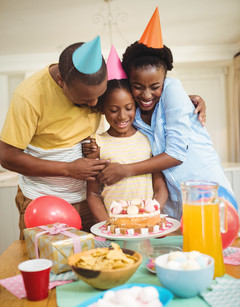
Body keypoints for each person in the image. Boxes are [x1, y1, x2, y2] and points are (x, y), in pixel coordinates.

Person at [94, 8, 237, 220]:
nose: (146, 94)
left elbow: (176, 154)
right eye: (137, 86)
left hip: (206, 190)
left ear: (164, 80)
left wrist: (125, 170)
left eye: (155, 86)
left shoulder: (173, 89)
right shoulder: (132, 110)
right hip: (175, 201)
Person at [0, 36, 110, 238]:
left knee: (96, 260)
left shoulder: (96, 89)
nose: (95, 104)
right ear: (61, 81)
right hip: (42, 200)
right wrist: (68, 169)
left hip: (89, 200)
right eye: (85, 100)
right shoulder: (29, 96)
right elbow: (6, 156)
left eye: (99, 95)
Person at [87, 45, 169, 222]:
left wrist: (151, 215)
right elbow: (93, 193)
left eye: (129, 108)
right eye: (114, 110)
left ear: (136, 105)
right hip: (115, 226)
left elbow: (160, 187)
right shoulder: (97, 143)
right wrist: (109, 225)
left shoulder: (148, 139)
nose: (122, 116)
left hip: (147, 223)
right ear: (102, 109)